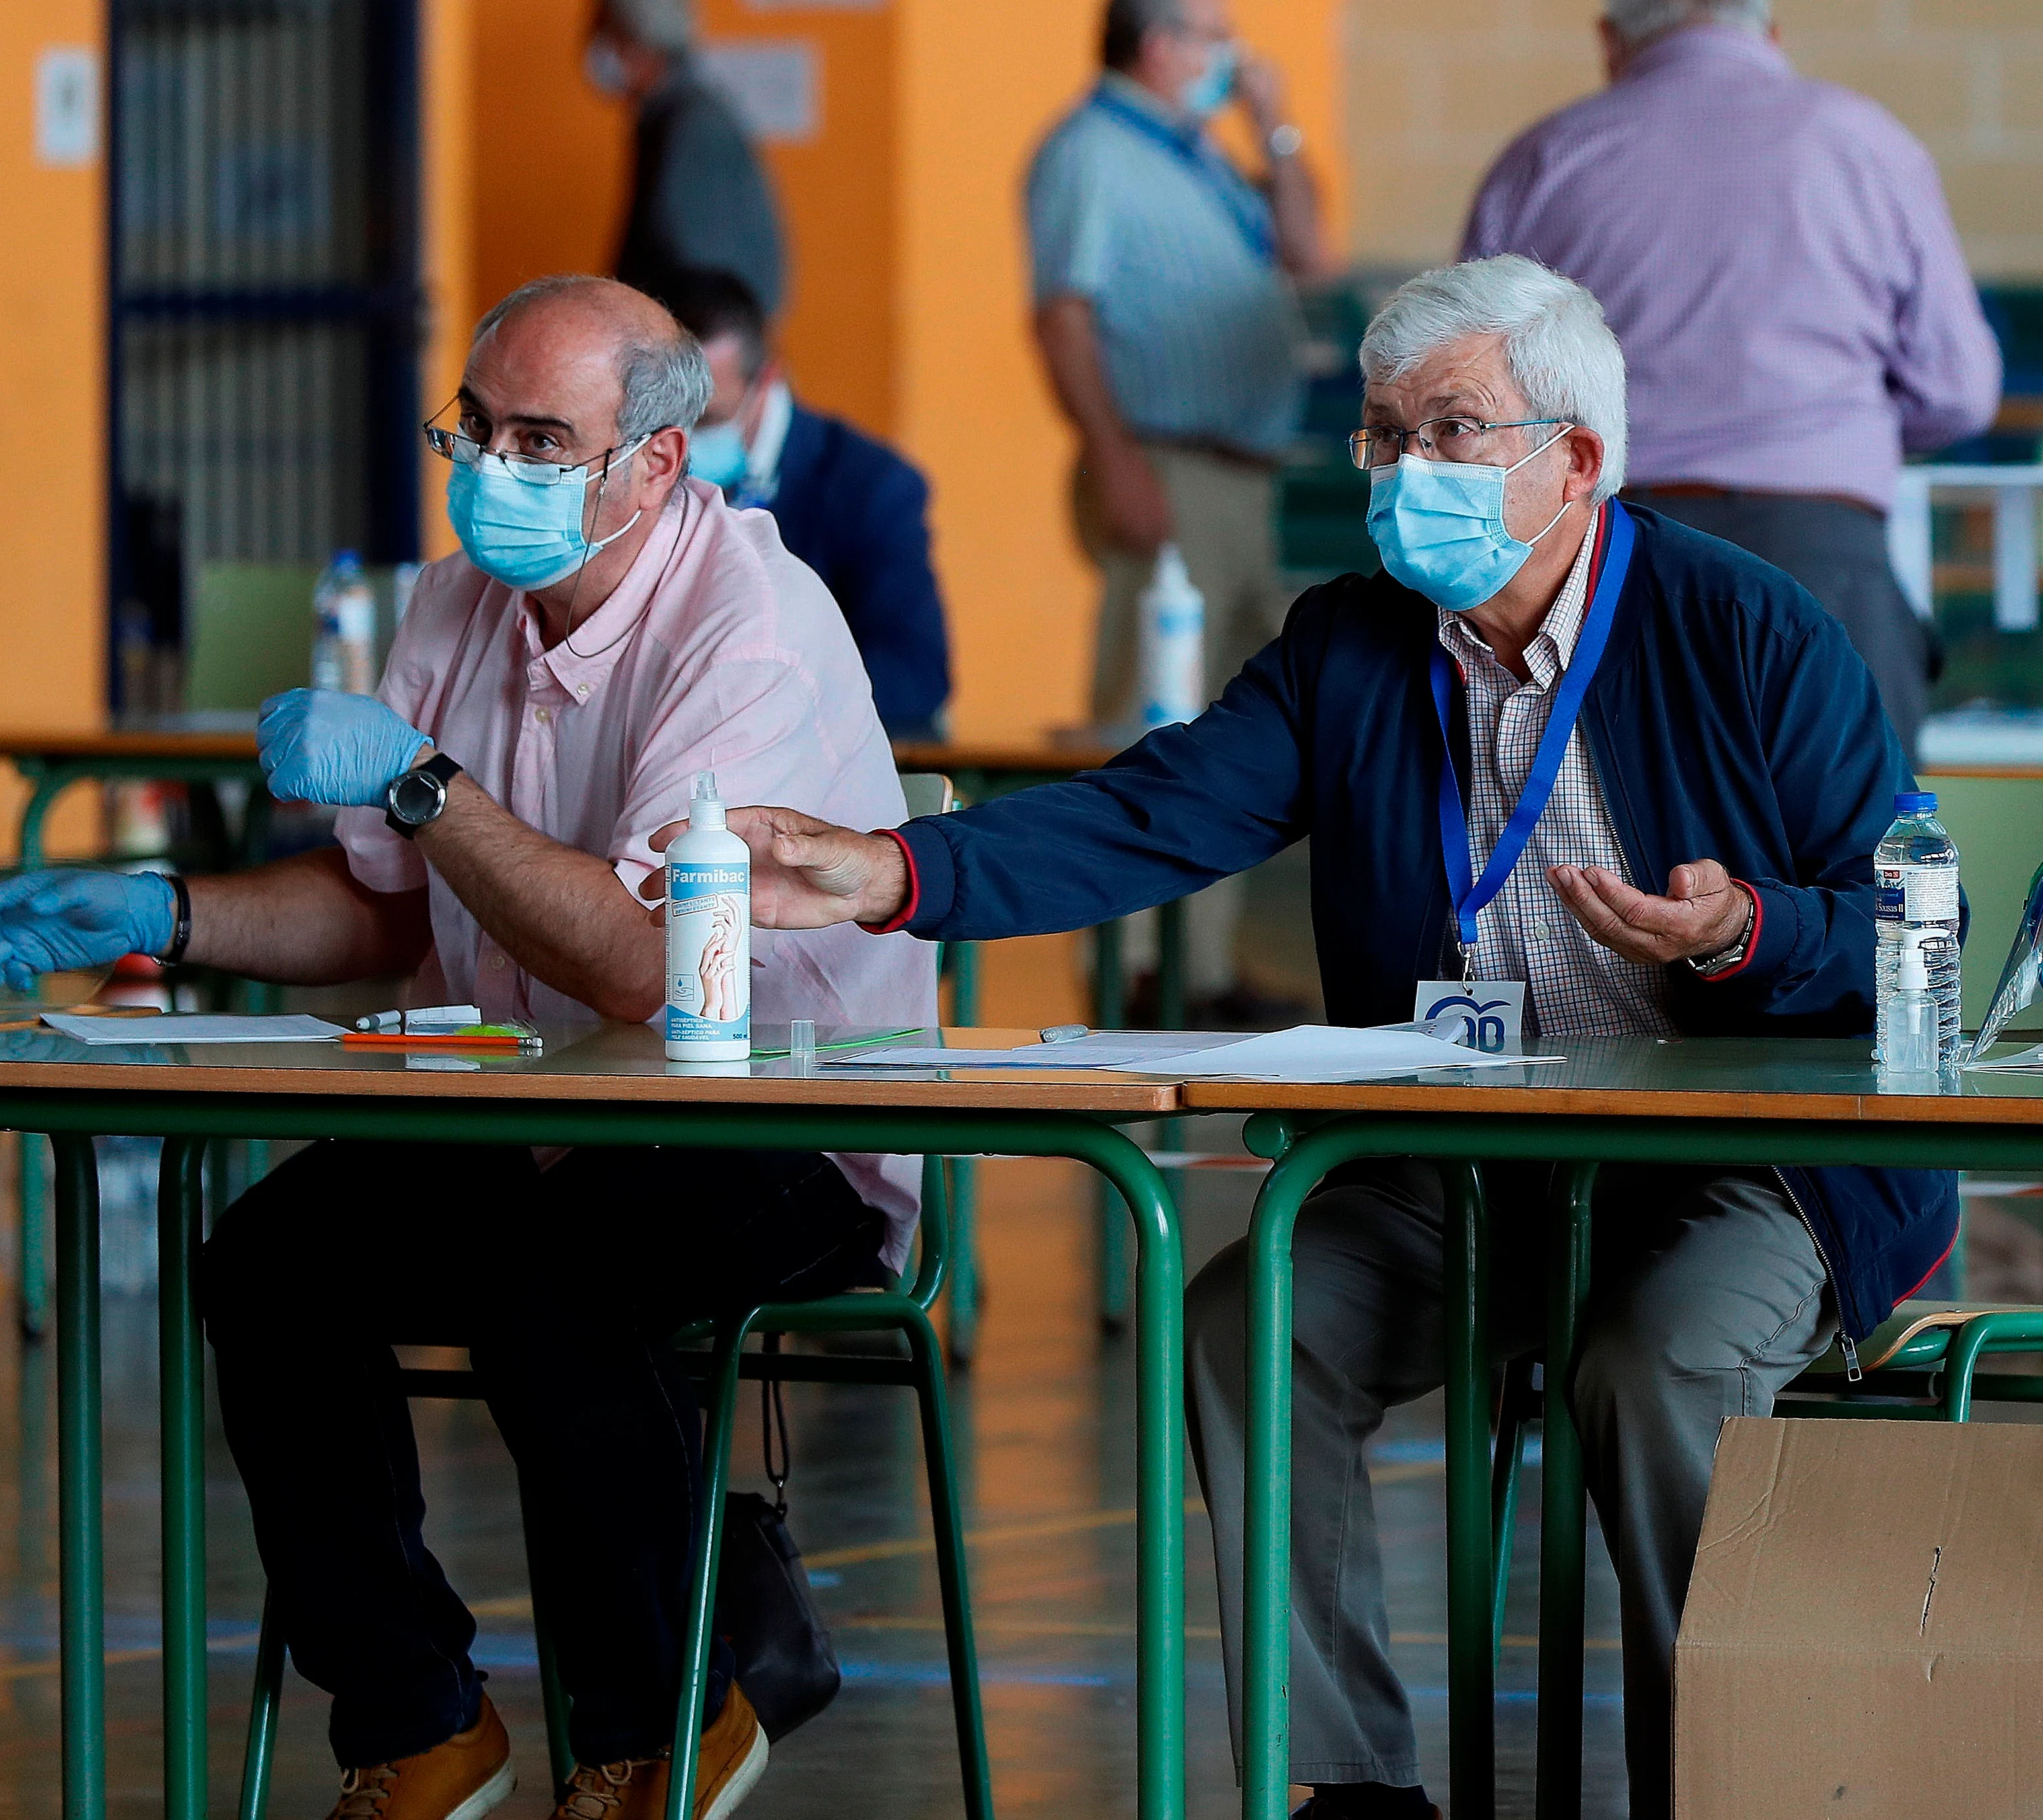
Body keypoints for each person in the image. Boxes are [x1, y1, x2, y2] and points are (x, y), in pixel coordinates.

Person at [667, 257, 1955, 1820]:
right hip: (1465, 1160)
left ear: (1578, 461)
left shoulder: (1743, 626)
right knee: (1244, 1323)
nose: (1406, 473)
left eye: (1453, 431)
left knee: (1653, 1356)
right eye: (1382, 436)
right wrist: (899, 871)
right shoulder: (1352, 643)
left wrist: (1745, 925)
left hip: (1745, 1166)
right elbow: (1159, 810)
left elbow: (1907, 922)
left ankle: (1732, 1782)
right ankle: (1348, 1793)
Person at [0, 275, 932, 1820]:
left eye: (544, 439)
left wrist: (425, 782)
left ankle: (656, 1724)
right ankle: (417, 1716)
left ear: (657, 463)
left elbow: (646, 969)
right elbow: (375, 902)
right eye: (475, 429)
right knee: (269, 1258)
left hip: (779, 1121)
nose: (494, 469)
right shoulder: (455, 599)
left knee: (561, 1282)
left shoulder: (751, 626)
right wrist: (165, 908)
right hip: (538, 1116)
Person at [1458, 0, 1998, 748]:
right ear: (1770, 34)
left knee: (1608, 850)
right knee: (1855, 853)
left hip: (1600, 556)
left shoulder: (1544, 157)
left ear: (1610, 42)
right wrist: (1831, 431)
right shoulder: (1864, 143)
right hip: (1823, 552)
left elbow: (1468, 400)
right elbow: (1960, 393)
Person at [1025, 0, 1329, 1018]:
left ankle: (1198, 968)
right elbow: (1063, 315)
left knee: (1243, 724)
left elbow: (1310, 251)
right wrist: (1115, 460)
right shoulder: (1090, 151)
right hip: (1163, 463)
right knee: (1156, 716)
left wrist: (1273, 126)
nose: (1232, 51)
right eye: (1216, 31)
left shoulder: (1196, 151)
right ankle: (1140, 975)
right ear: (1159, 42)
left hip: (1243, 473)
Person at [657, 267, 953, 737]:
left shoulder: (871, 486)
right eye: (663, 416)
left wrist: (744, 699)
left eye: (705, 418)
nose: (679, 440)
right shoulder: (629, 469)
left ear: (768, 380)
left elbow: (913, 674)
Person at [587, 0, 788, 319]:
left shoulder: (692, 127)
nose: (597, 49)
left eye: (610, 36)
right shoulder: (671, 117)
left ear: (644, 44)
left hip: (696, 352)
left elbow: (704, 279)